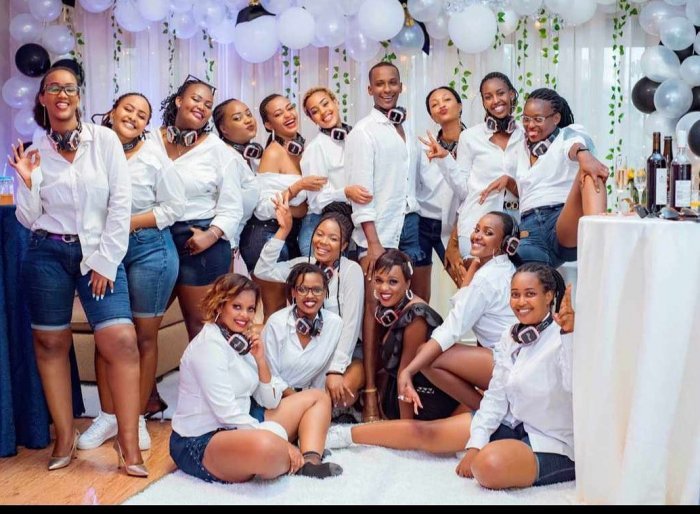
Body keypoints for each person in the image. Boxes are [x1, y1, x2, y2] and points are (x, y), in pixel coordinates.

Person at [326, 263, 577, 490]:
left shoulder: (566, 336)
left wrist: (569, 336)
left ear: (549, 296)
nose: (521, 302)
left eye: (530, 294)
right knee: (427, 433)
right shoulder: (511, 336)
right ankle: (342, 436)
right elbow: (496, 396)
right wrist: (475, 444)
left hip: (550, 441)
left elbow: (574, 386)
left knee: (488, 466)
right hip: (511, 423)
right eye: (515, 294)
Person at [9, 66, 146, 475]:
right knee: (50, 343)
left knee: (121, 340)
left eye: (69, 88)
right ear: (43, 98)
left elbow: (120, 203)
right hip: (46, 252)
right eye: (53, 88)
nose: (62, 94)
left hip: (97, 252)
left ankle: (127, 442)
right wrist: (27, 182)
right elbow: (28, 218)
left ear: (79, 96)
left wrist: (105, 261)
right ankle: (65, 437)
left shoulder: (103, 140)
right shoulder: (35, 150)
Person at [78, 93, 185, 452]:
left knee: (143, 338)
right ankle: (108, 416)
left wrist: (126, 223)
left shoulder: (154, 155)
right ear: (111, 111)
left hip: (149, 249)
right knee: (107, 334)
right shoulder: (90, 149)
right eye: (128, 109)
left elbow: (174, 207)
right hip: (102, 250)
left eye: (142, 115)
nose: (134, 117)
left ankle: (135, 417)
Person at [170, 273, 343, 482]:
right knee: (267, 447)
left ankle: (310, 462)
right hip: (203, 439)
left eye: (250, 309)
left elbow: (269, 401)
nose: (245, 315)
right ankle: (286, 450)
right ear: (220, 306)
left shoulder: (240, 340)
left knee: (318, 397)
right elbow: (226, 414)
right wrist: (282, 443)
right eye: (237, 307)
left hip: (246, 421)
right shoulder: (208, 346)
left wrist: (260, 361)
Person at [148, 75, 244, 416]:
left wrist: (211, 235)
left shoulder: (219, 151)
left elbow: (233, 206)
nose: (201, 107)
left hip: (200, 241)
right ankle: (146, 400)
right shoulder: (149, 141)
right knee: (143, 325)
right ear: (178, 100)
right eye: (195, 99)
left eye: (207, 104)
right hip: (154, 238)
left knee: (201, 329)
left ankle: (209, 407)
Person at [346, 62, 422, 421]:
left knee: (412, 312)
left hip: (411, 223)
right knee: (374, 315)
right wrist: (373, 244)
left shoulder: (407, 127)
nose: (387, 89)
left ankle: (403, 395)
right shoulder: (363, 132)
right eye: (380, 84)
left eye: (393, 83)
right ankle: (372, 396)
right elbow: (360, 193)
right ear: (370, 89)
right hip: (381, 230)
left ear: (401, 86)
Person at [396, 211, 519, 412]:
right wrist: (475, 265)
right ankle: (489, 411)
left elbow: (452, 328)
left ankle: (487, 412)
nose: (477, 236)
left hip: (507, 361)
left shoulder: (486, 279)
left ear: (505, 243)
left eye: (488, 233)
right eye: (477, 229)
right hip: (514, 357)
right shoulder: (500, 269)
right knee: (429, 353)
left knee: (426, 356)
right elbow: (463, 302)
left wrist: (408, 371)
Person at [254, 199, 364, 417]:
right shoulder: (304, 264)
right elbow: (262, 270)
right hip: (309, 348)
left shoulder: (351, 271)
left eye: (333, 238)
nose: (323, 242)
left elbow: (350, 326)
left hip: (342, 350)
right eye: (319, 234)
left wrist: (335, 370)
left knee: (340, 395)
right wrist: (283, 231)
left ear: (344, 246)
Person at [479, 87, 608, 267]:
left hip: (563, 223)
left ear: (556, 118)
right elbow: (528, 190)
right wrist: (509, 182)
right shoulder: (520, 148)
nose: (530, 125)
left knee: (588, 171)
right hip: (530, 233)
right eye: (526, 119)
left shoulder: (567, 135)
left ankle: (599, 242)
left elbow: (575, 144)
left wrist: (584, 155)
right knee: (499, 266)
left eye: (538, 119)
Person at [420, 72, 524, 286]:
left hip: (517, 225)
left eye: (500, 93)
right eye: (488, 97)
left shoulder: (525, 134)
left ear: (512, 94)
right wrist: (444, 159)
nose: (495, 100)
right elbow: (463, 191)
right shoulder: (470, 137)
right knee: (477, 291)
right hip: (477, 226)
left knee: (513, 291)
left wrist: (511, 183)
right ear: (483, 102)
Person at [239, 94, 327, 319]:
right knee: (276, 310)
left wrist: (300, 208)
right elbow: (263, 208)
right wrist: (298, 186)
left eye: (289, 108)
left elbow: (303, 208)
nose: (288, 115)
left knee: (295, 309)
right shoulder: (273, 153)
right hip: (265, 234)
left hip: (291, 234)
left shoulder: (305, 149)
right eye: (279, 114)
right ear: (269, 125)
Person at [370, 249, 457, 421]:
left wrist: (405, 427)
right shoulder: (388, 308)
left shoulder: (416, 315)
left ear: (408, 283)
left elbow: (405, 375)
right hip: (404, 395)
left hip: (425, 401)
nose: (384, 288)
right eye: (379, 280)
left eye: (393, 282)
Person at [299, 86, 373, 254]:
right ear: (312, 119)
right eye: (315, 111)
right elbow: (316, 201)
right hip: (318, 226)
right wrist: (346, 192)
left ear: (336, 102)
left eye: (325, 104)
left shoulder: (356, 137)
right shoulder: (316, 148)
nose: (323, 112)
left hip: (348, 223)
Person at [412, 86, 464, 300]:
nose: (441, 105)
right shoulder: (423, 147)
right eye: (434, 104)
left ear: (459, 106)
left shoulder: (475, 141)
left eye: (447, 100)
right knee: (419, 296)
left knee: (467, 285)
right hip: (422, 224)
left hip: (457, 225)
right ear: (432, 116)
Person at [262, 263, 345, 395]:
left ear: (325, 293)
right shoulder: (276, 323)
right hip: (272, 395)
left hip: (309, 397)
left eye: (317, 290)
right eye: (302, 289)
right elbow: (269, 373)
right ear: (293, 292)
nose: (310, 296)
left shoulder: (334, 324)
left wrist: (309, 399)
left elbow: (322, 376)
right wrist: (300, 400)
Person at [212, 97, 261, 275]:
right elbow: (227, 208)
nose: (248, 120)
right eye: (237, 118)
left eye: (248, 114)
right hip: (222, 243)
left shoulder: (251, 159)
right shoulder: (228, 158)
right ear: (223, 129)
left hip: (232, 243)